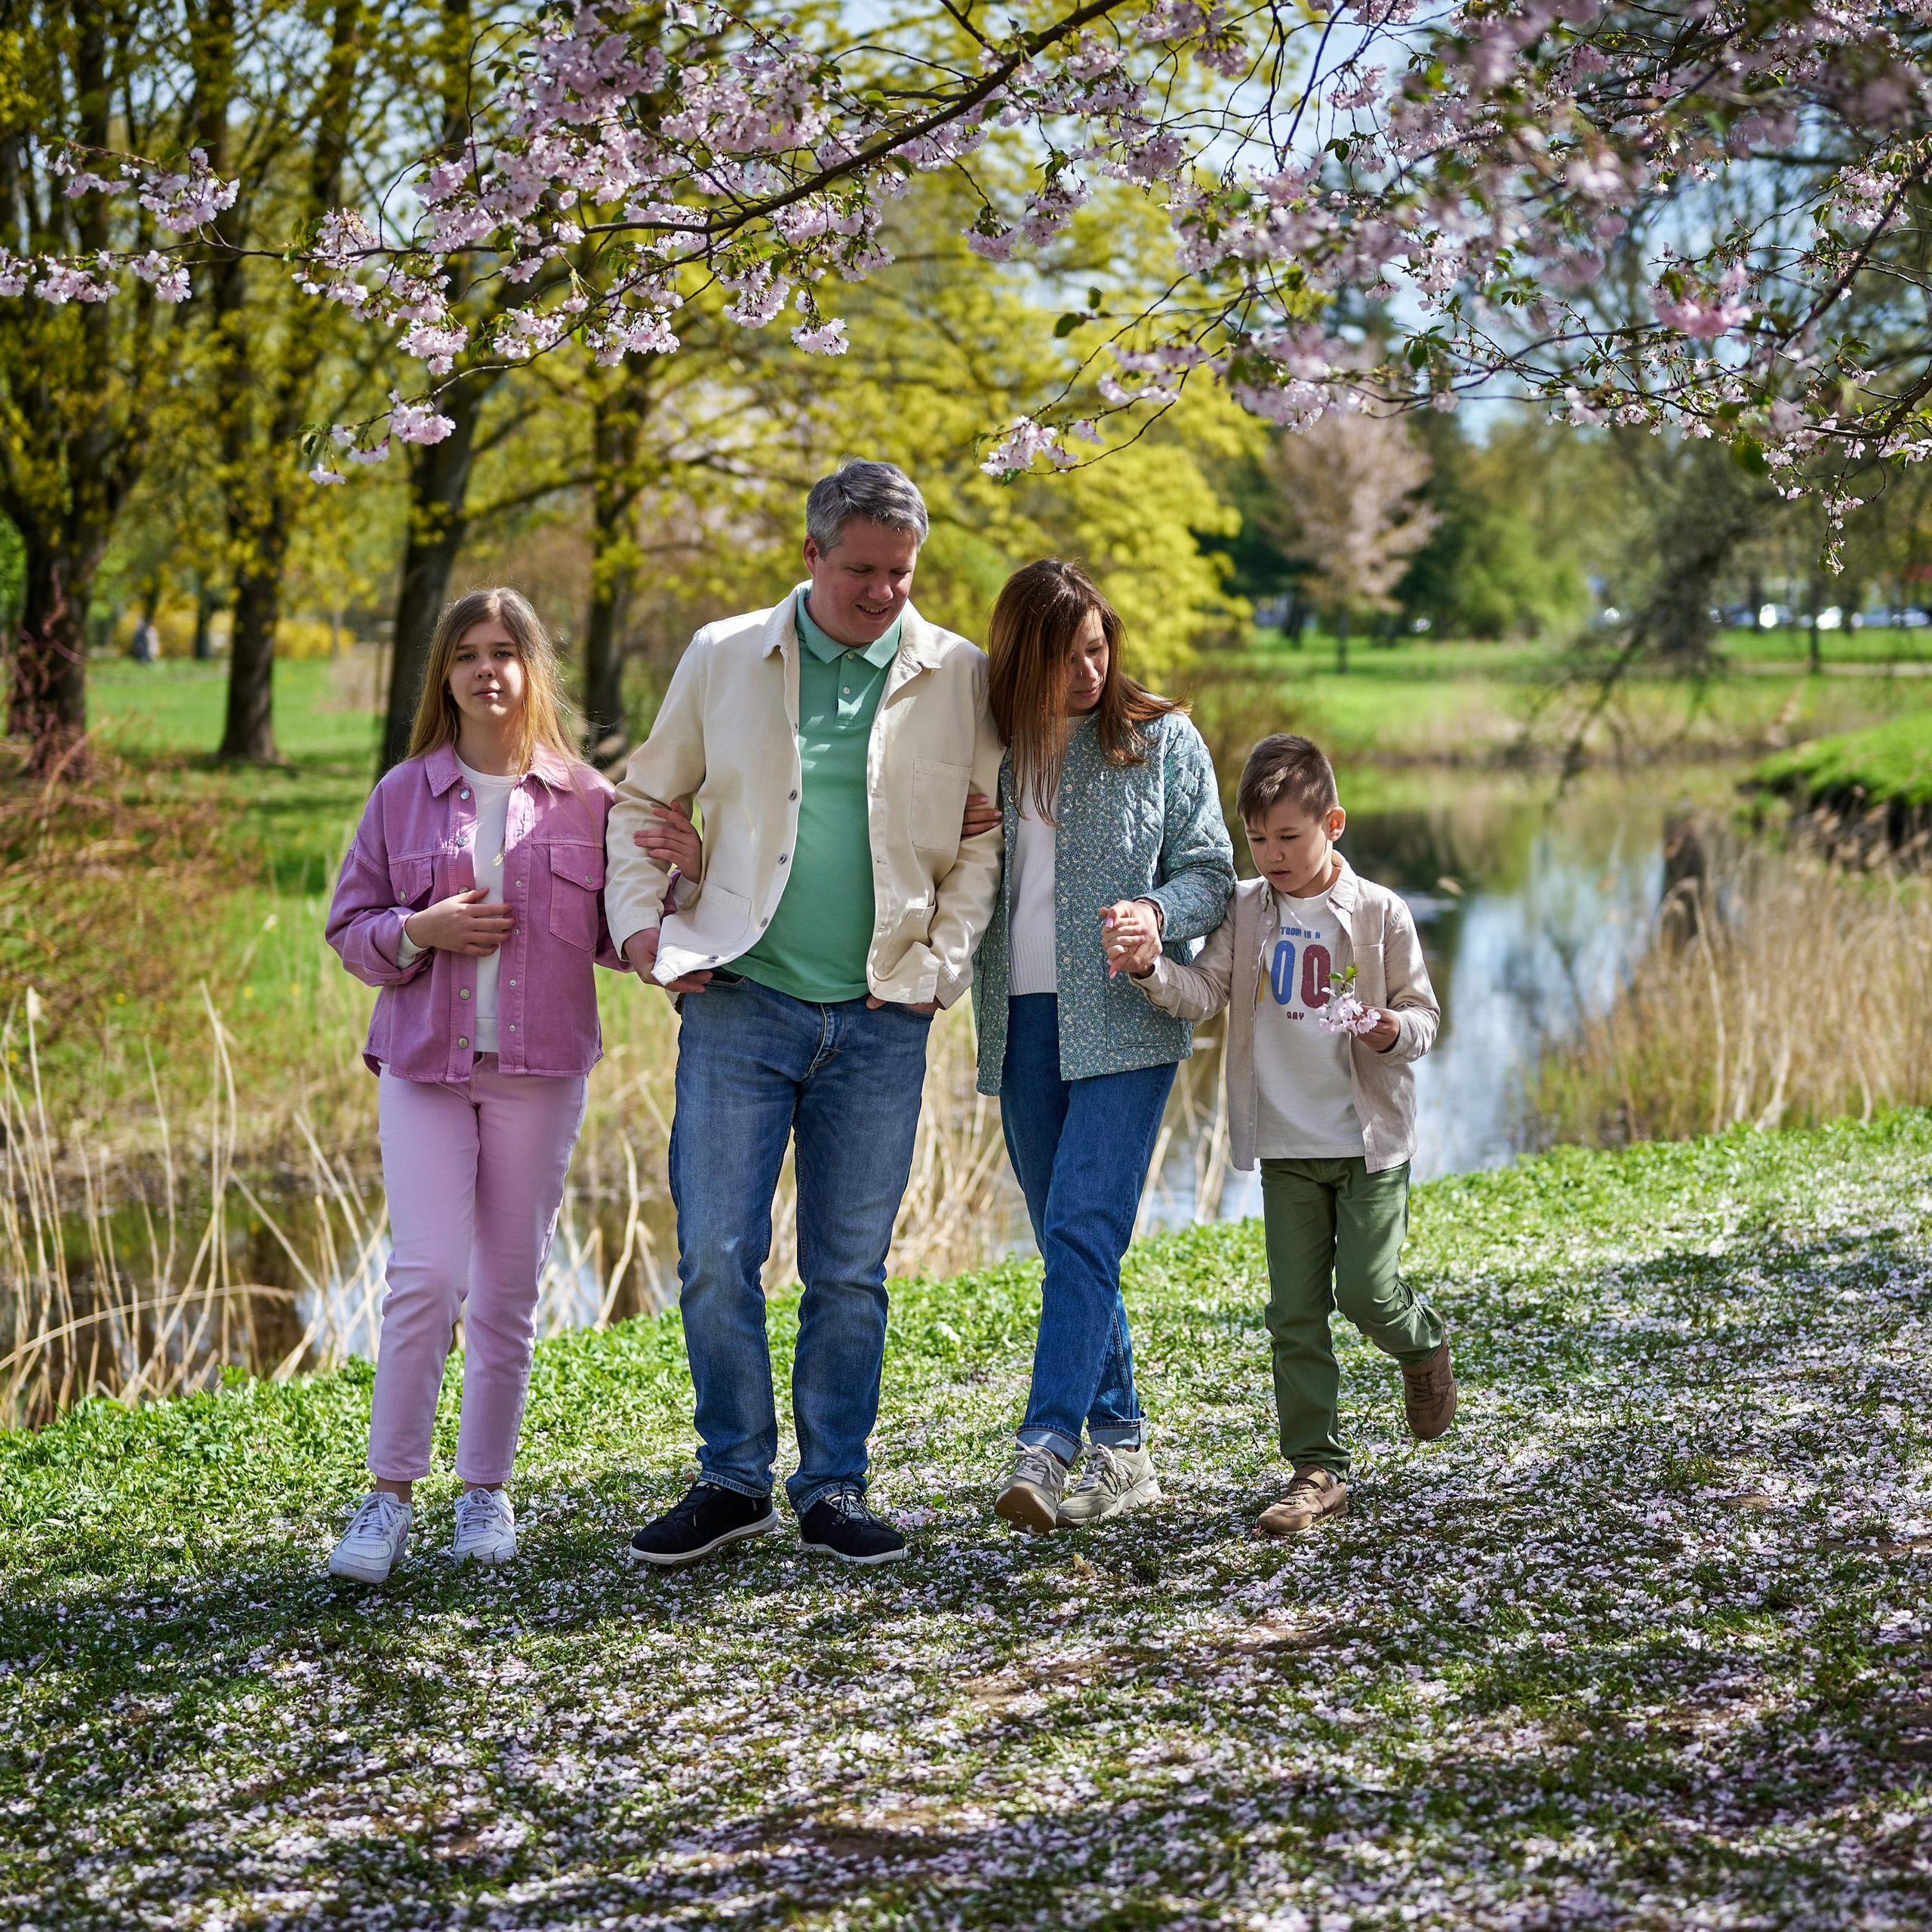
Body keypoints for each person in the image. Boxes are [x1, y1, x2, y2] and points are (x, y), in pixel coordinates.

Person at [605, 460, 1004, 1568]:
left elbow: (983, 840)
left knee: (850, 1270)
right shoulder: (725, 654)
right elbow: (648, 796)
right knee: (719, 1251)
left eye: (902, 574)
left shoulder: (956, 671)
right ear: (812, 556)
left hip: (883, 1021)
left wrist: (939, 965)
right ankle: (732, 1476)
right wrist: (644, 933)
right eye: (863, 571)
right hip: (740, 1001)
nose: (885, 594)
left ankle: (834, 1485)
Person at [321, 588, 630, 1583]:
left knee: (507, 1287)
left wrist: (688, 872)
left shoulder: (590, 799)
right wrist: (419, 930)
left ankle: (485, 1494)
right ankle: (386, 1498)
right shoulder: (401, 794)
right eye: (467, 655)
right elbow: (349, 932)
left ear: (533, 668)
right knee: (424, 1277)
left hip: (542, 1073)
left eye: (505, 652)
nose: (487, 670)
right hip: (424, 1068)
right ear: (444, 676)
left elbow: (630, 935)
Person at [1128, 733, 1456, 1537]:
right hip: (1287, 1148)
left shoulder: (1380, 913)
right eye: (1259, 839)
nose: (1272, 854)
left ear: (1331, 823)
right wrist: (1147, 970)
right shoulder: (1244, 908)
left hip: (1368, 1143)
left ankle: (1421, 1345)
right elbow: (1204, 990)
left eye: (1289, 837)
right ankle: (1317, 1470)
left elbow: (1424, 1019)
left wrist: (1387, 1029)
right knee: (1295, 1315)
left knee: (1366, 1293)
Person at [970, 559, 1235, 1534]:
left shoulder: (1163, 741)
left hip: (1127, 1020)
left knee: (1086, 1228)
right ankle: (1124, 1447)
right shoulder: (989, 750)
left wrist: (1157, 912)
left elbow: (1212, 871)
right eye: (1065, 655)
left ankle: (1046, 1444)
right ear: (1020, 660)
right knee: (1069, 1241)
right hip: (1020, 1023)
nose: (1088, 670)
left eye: (1098, 647)